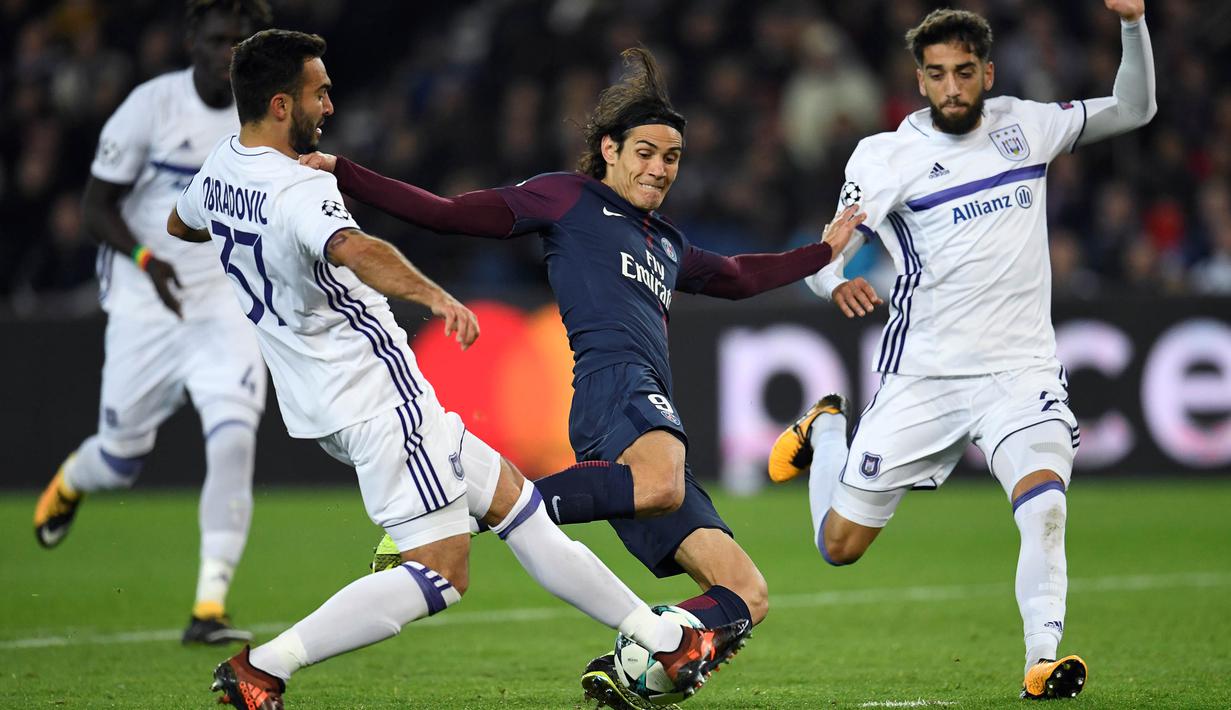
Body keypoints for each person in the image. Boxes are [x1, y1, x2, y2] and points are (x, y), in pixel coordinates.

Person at [167, 30, 748, 710]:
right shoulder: (298, 189)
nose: (328, 104)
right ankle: (264, 668)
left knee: (520, 509)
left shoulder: (219, 171)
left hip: (318, 397)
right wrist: (434, 296)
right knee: (441, 572)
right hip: (375, 392)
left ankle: (656, 636)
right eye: (317, 93)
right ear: (278, 104)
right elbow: (354, 247)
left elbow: (184, 227)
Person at [298, 46, 863, 708]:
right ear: (610, 150)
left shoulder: (668, 242)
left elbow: (739, 278)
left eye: (671, 158)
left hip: (642, 415)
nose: (658, 168)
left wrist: (825, 250)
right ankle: (477, 508)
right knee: (656, 484)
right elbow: (448, 214)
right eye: (645, 152)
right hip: (613, 390)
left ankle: (628, 674)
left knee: (746, 595)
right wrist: (344, 170)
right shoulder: (566, 199)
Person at [767, 1, 1155, 700]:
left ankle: (1041, 660)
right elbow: (834, 241)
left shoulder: (1027, 125)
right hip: (925, 374)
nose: (952, 88)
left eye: (964, 73)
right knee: (837, 548)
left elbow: (1134, 108)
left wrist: (1131, 24)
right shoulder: (887, 156)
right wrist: (829, 284)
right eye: (938, 74)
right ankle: (827, 430)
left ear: (987, 74)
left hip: (1019, 370)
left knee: (1043, 506)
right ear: (918, 79)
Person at [33, 0, 273, 645]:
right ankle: (74, 479)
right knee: (119, 463)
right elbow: (94, 208)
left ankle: (209, 607)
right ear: (192, 39)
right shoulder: (150, 107)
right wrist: (147, 259)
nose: (228, 53)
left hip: (224, 305)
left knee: (233, 437)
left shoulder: (269, 120)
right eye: (218, 39)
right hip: (146, 304)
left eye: (241, 43)